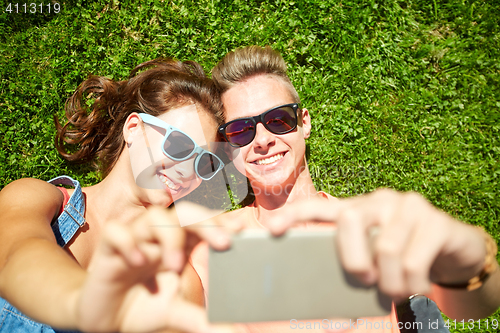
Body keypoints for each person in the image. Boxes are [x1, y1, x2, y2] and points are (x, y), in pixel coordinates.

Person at [187, 46, 500, 333]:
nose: (263, 139)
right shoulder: (205, 243)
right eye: (241, 131)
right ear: (228, 149)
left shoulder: (371, 223)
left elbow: (474, 308)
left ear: (304, 122)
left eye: (278, 119)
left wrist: (468, 255)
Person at [0, 58, 238, 333]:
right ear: (134, 128)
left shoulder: (179, 280)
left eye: (203, 162)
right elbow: (16, 258)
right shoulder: (35, 198)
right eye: (179, 145)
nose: (187, 170)